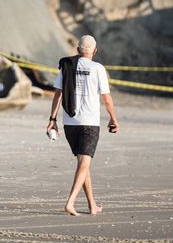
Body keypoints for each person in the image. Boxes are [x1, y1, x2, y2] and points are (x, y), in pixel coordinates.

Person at [46, 35, 119, 216]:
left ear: (77, 50)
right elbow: (107, 98)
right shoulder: (98, 68)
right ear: (94, 51)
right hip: (89, 123)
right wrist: (113, 118)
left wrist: (52, 120)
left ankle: (92, 205)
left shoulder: (67, 66)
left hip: (69, 122)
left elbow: (57, 94)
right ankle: (70, 202)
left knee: (83, 164)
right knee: (84, 163)